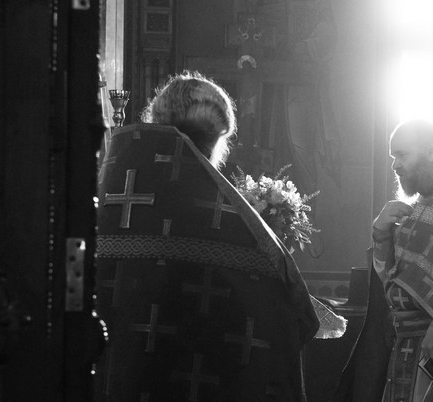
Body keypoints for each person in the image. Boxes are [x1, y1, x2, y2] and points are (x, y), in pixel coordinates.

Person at [94, 71, 328, 401]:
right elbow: (288, 320)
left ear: (155, 122)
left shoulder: (107, 202)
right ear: (217, 141)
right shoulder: (236, 231)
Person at [333, 120, 433, 401]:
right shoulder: (416, 208)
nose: (395, 165)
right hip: (403, 343)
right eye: (393, 156)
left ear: (431, 151)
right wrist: (381, 235)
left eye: (402, 154)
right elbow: (391, 282)